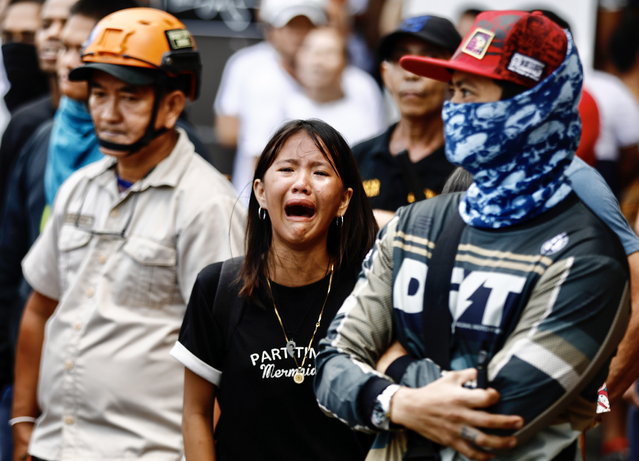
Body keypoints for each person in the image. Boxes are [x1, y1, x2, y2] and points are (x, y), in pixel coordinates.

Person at [315, 10, 629, 460]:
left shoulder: (588, 257)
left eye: (470, 92)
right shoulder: (413, 225)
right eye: (454, 91)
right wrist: (399, 402)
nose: (454, 108)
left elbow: (498, 411)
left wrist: (391, 362)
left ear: (531, 105)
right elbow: (329, 367)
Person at [11, 7, 245, 461]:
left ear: (174, 103)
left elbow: (229, 356)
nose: (108, 112)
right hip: (55, 446)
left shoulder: (207, 203)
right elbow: (39, 308)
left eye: (130, 97)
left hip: (149, 452)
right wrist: (23, 422)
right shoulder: (80, 187)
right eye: (98, 94)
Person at [171, 119, 378, 460]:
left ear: (343, 201)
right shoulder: (218, 288)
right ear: (261, 192)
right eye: (287, 169)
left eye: (320, 173)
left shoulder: (368, 292)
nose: (302, 183)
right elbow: (196, 412)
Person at [353, 15, 460, 228]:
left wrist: (389, 224)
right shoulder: (357, 158)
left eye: (429, 59)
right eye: (401, 60)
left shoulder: (468, 162)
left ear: (455, 76)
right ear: (385, 74)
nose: (411, 74)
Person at [287, 26, 385, 145]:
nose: (317, 62)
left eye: (328, 53)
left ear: (344, 62)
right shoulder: (285, 107)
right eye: (309, 51)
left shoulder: (363, 90)